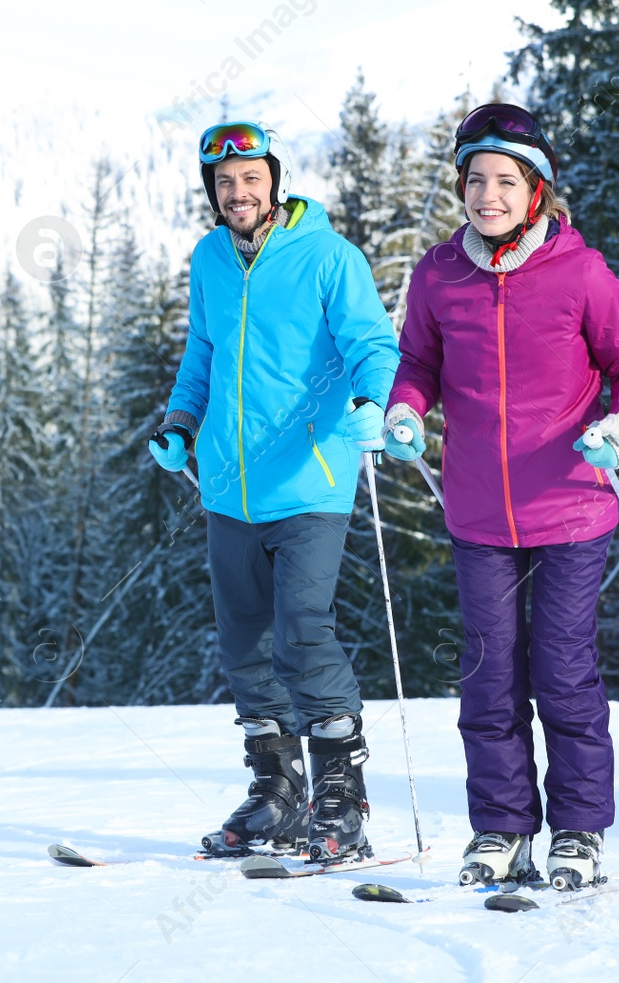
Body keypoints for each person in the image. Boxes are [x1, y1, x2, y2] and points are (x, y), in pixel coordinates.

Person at [383, 103, 619, 890]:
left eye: (506, 180)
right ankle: (501, 828)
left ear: (536, 190)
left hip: (571, 506)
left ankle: (577, 831)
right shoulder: (440, 274)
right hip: (478, 514)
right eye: (476, 180)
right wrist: (405, 407)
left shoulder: (579, 271)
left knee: (564, 671)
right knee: (488, 673)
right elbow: (418, 363)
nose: (488, 195)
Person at [148, 121, 400, 862]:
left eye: (250, 178)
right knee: (244, 643)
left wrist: (372, 402)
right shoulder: (209, 259)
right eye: (224, 183)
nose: (238, 192)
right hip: (229, 488)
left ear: (274, 180)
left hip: (312, 480)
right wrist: (180, 422)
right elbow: (203, 349)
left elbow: (371, 343)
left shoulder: (327, 255)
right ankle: (277, 793)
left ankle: (339, 798)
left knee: (301, 628)